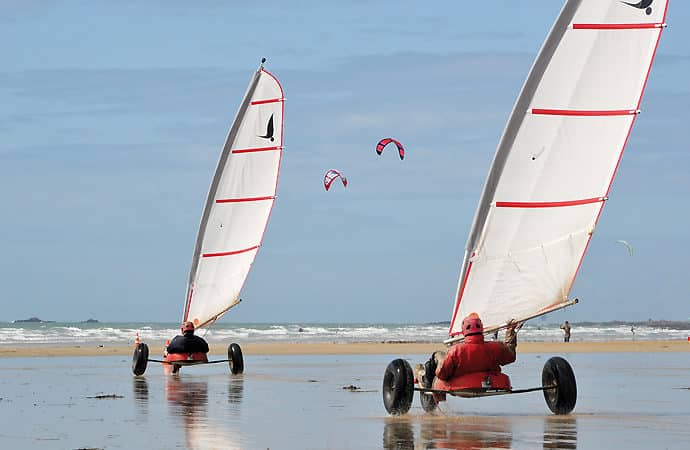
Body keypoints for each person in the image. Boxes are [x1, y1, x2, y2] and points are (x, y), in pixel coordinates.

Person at [421, 313, 522, 388]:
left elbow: (442, 374)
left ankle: (426, 382)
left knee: (437, 355)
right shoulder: (495, 347)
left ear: (464, 330)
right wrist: (510, 331)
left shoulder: (456, 350)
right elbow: (510, 356)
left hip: (460, 383)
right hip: (489, 380)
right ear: (481, 328)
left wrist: (438, 371)